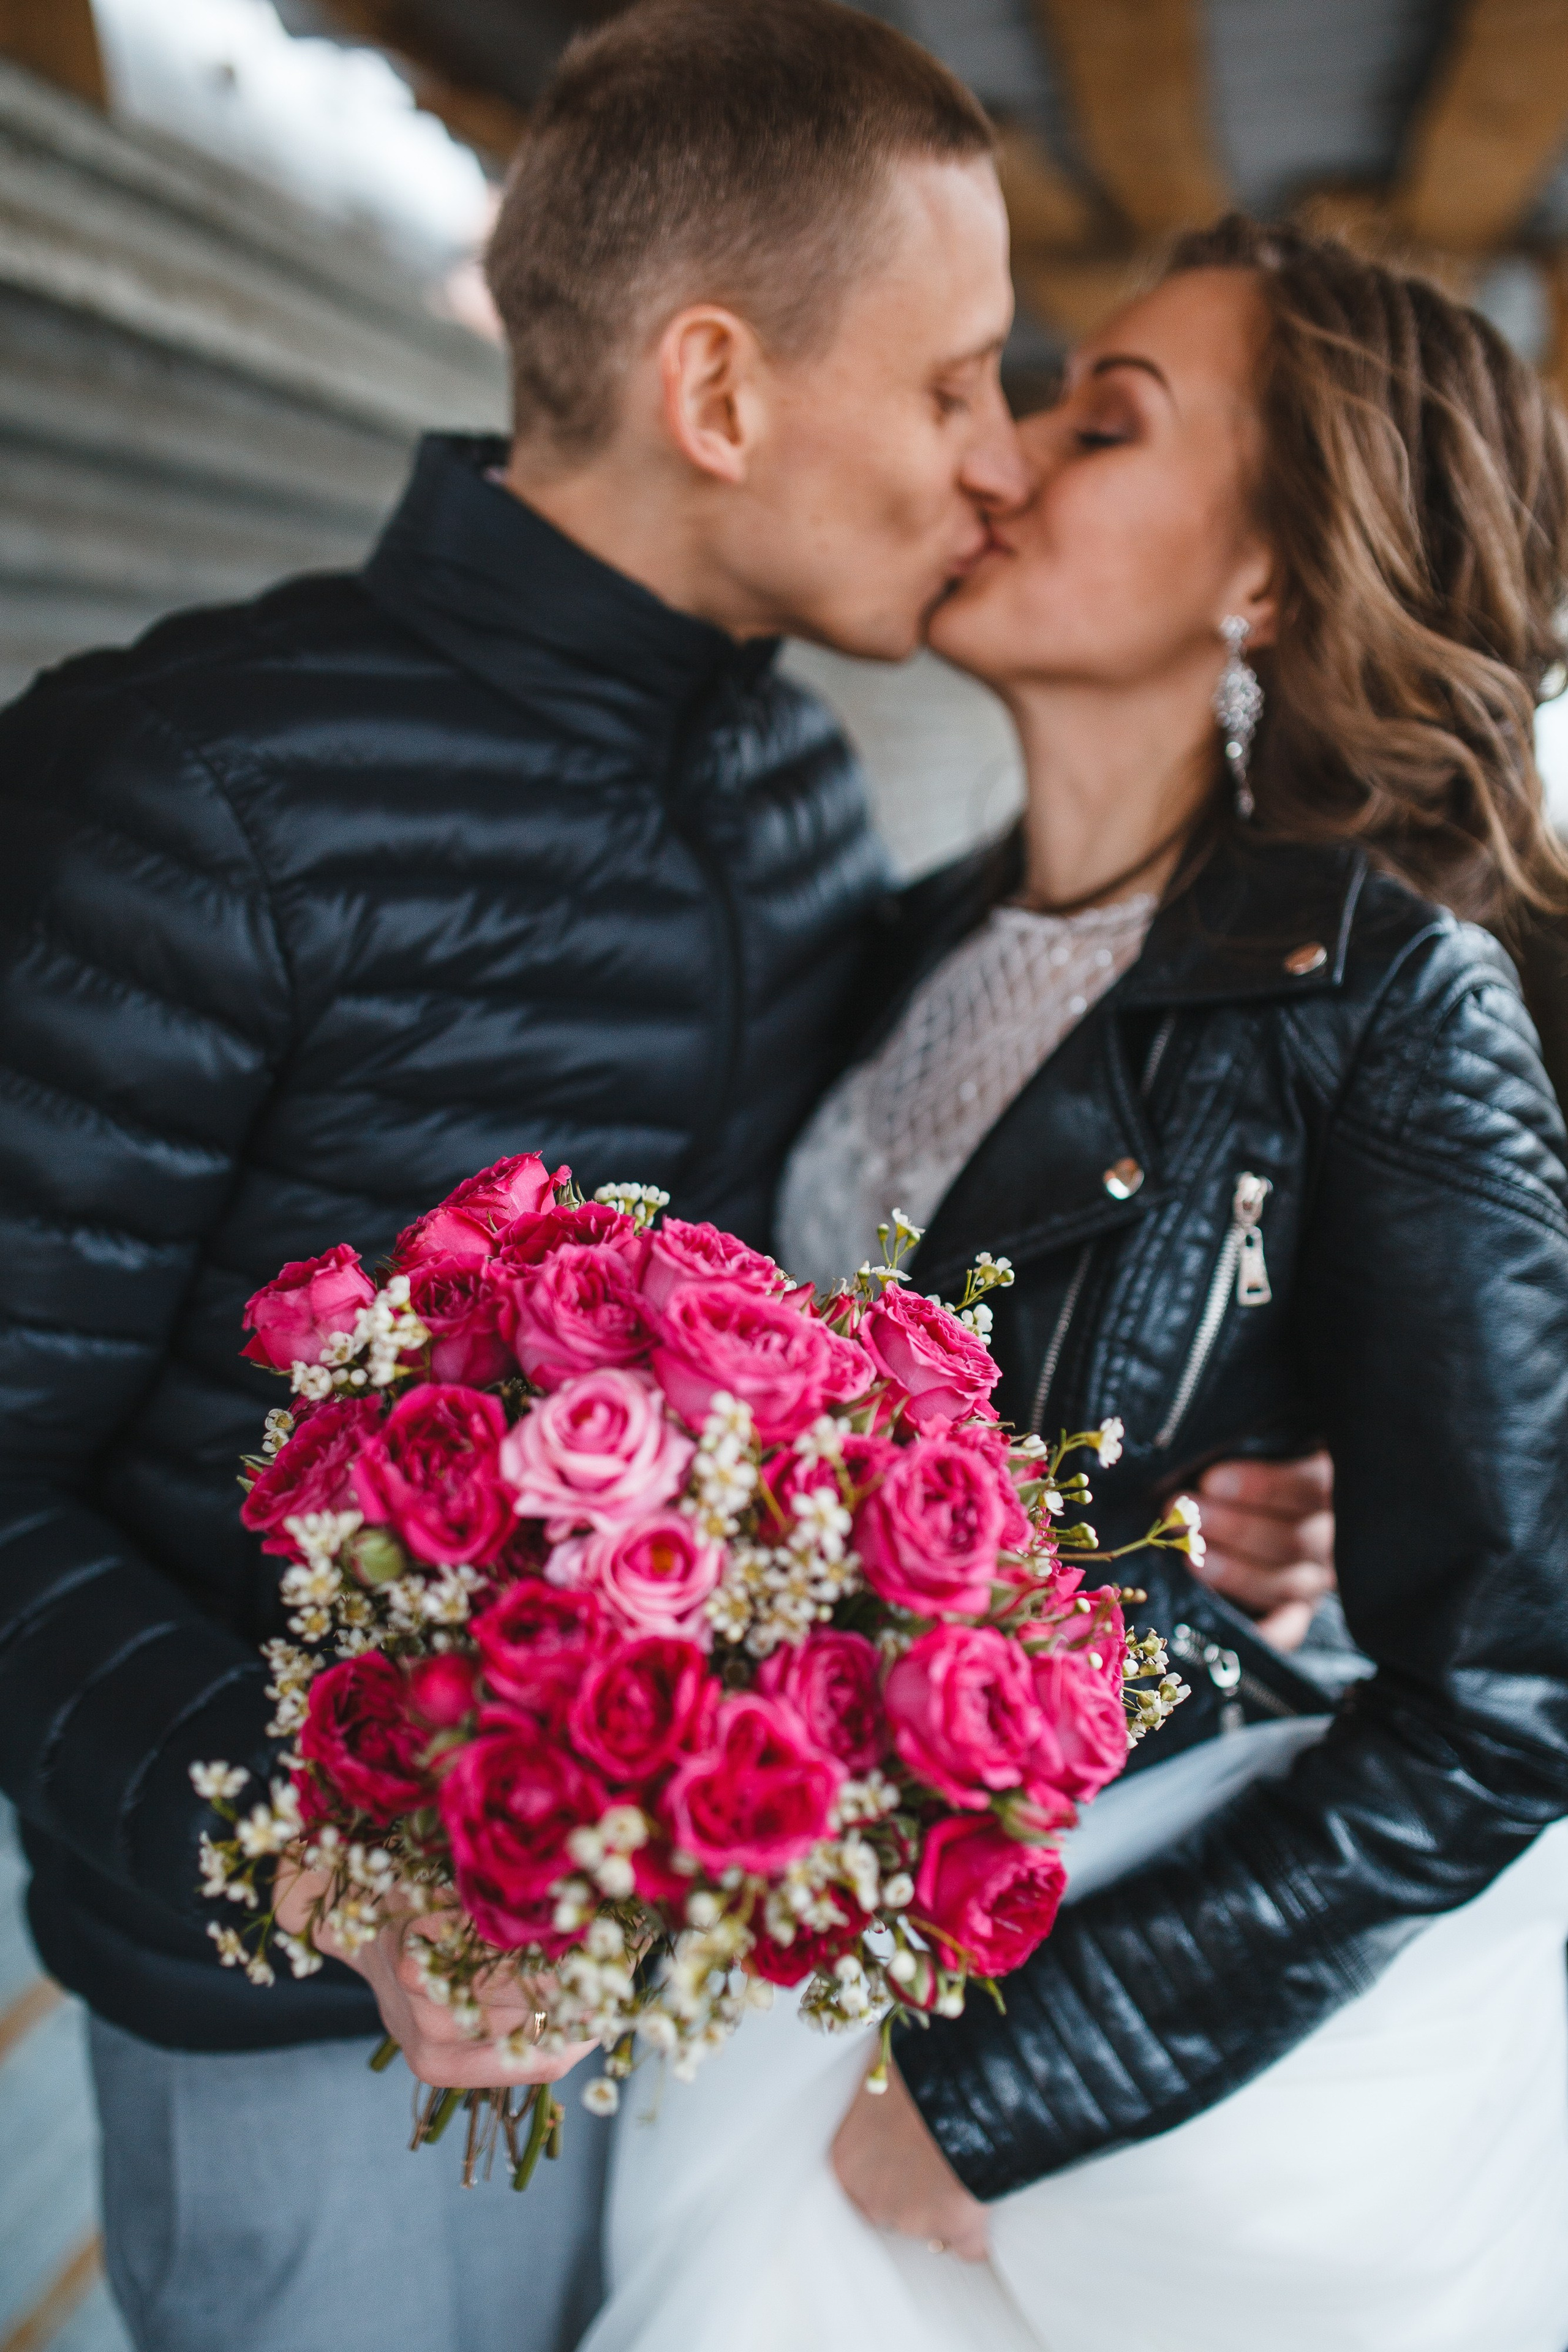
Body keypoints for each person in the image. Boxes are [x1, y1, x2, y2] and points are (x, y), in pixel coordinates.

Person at [0, 12, 1324, 2351]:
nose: (996, 468)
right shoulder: (187, 788)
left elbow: (852, 1292)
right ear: (717, 396)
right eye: (947, 389)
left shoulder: (806, 790)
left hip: (709, 1966)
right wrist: (343, 1857)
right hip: (310, 2032)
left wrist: (1183, 1492)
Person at [584, 221, 1568, 2352]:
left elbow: (1508, 1699)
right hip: (778, 1938)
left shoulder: (1386, 999)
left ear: (1273, 581)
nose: (1001, 458)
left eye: (1098, 421)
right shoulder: (916, 929)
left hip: (1102, 2071)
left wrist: (1010, 2084)